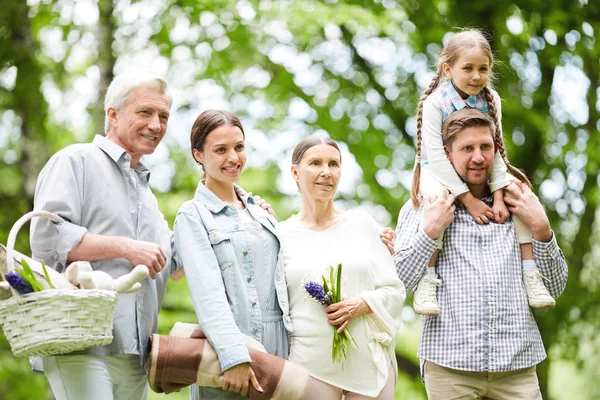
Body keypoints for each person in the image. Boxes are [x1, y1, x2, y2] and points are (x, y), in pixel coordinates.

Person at [394, 108, 568, 399]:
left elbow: (555, 287)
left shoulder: (520, 204)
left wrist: (542, 228)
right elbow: (398, 282)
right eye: (467, 148)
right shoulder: (425, 206)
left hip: (517, 369)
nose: (478, 157)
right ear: (447, 155)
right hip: (449, 369)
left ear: (496, 150)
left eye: (485, 146)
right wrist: (430, 233)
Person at [30, 72, 181, 400]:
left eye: (164, 116)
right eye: (145, 112)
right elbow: (45, 237)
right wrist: (126, 248)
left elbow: (176, 263)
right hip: (81, 345)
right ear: (112, 114)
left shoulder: (148, 196)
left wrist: (239, 207)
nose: (156, 125)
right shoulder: (75, 161)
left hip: (137, 355)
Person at [410, 29, 555, 316]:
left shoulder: (491, 99)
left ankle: (530, 273)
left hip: (481, 170)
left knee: (520, 193)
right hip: (436, 170)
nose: (476, 76)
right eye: (468, 68)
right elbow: (437, 158)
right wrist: (469, 200)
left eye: (482, 69)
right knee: (438, 201)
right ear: (447, 68)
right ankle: (428, 279)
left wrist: (499, 196)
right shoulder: (435, 103)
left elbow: (497, 152)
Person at [173, 110, 292, 399]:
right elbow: (207, 293)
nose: (233, 158)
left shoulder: (259, 211)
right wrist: (234, 356)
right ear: (198, 155)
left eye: (239, 147)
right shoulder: (193, 215)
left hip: (280, 356)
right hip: (231, 357)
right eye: (220, 150)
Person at [277, 135, 406, 400]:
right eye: (315, 163)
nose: (326, 172)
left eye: (334, 164)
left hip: (368, 368)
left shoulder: (364, 226)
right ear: (294, 172)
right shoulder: (279, 235)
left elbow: (394, 292)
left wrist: (362, 303)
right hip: (309, 368)